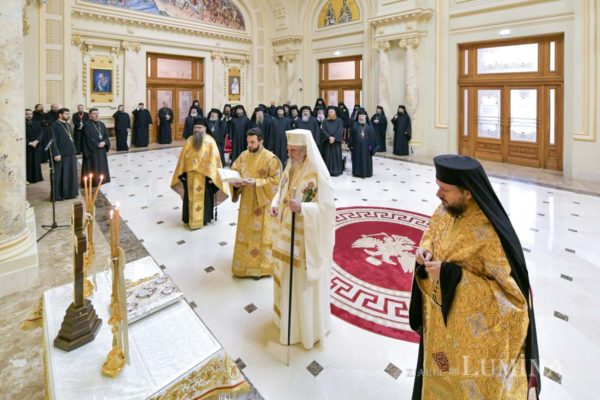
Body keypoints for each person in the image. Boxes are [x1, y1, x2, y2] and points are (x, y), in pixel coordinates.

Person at [409, 155, 541, 399]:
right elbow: (432, 233)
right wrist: (425, 249)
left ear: (467, 193)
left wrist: (453, 277)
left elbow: (513, 302)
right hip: (438, 328)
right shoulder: (445, 210)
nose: (438, 194)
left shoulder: (490, 235)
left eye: (445, 189)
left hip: (470, 345)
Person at [269, 129, 335, 349]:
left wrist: (304, 208)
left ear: (305, 151)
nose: (289, 154)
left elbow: (327, 210)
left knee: (301, 285)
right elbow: (281, 190)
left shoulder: (317, 174)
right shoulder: (290, 167)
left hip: (305, 244)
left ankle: (306, 330)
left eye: (294, 151)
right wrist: (275, 204)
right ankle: (287, 324)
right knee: (287, 281)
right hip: (285, 237)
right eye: (288, 149)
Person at [230, 128, 282, 278]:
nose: (249, 145)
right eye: (248, 142)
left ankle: (262, 268)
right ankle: (243, 265)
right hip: (246, 202)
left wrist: (256, 183)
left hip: (262, 204)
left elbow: (276, 182)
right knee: (246, 231)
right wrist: (236, 183)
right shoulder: (243, 155)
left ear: (261, 141)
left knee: (262, 234)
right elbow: (234, 170)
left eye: (252, 142)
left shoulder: (271, 158)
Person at [170, 119, 229, 230]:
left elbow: (214, 160)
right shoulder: (189, 140)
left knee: (205, 198)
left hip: (205, 176)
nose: (197, 130)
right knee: (190, 198)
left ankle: (204, 219)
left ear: (205, 129)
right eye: (195, 127)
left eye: (199, 127)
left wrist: (207, 172)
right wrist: (183, 172)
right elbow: (183, 158)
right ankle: (189, 218)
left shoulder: (210, 141)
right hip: (190, 176)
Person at [50, 108, 78, 201]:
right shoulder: (54, 125)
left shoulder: (67, 124)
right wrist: (56, 153)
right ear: (60, 115)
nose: (68, 116)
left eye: (69, 114)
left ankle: (70, 193)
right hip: (61, 154)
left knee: (70, 174)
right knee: (59, 175)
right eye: (66, 114)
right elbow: (52, 140)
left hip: (70, 153)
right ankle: (59, 195)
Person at [82, 108, 111, 186]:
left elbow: (106, 135)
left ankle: (103, 179)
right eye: (94, 113)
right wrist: (97, 144)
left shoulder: (101, 124)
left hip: (102, 149)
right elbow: (88, 138)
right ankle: (95, 181)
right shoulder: (87, 125)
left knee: (102, 164)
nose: (96, 115)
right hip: (92, 150)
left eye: (97, 113)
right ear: (90, 115)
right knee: (94, 165)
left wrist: (104, 142)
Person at [349, 110, 378, 178]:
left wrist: (372, 147)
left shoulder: (369, 126)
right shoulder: (354, 125)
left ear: (365, 117)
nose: (361, 118)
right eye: (360, 116)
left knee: (366, 160)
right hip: (357, 147)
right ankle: (357, 173)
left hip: (366, 148)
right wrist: (351, 144)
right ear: (358, 117)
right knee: (357, 159)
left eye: (363, 116)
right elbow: (351, 136)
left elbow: (373, 137)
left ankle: (367, 172)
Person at [320, 106, 344, 176]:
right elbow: (323, 130)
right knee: (327, 156)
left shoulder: (339, 120)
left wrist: (334, 138)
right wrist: (329, 137)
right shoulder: (325, 121)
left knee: (336, 156)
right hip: (327, 142)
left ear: (335, 113)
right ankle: (327, 171)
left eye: (332, 112)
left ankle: (337, 171)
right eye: (329, 112)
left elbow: (340, 129)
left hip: (336, 142)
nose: (330, 113)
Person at [25, 109, 44, 183]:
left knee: (36, 162)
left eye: (30, 114)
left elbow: (41, 133)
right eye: (27, 114)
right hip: (27, 146)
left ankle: (37, 178)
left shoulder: (36, 123)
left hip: (36, 145)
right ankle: (28, 178)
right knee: (28, 163)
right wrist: (29, 143)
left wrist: (37, 141)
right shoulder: (21, 124)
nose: (29, 116)